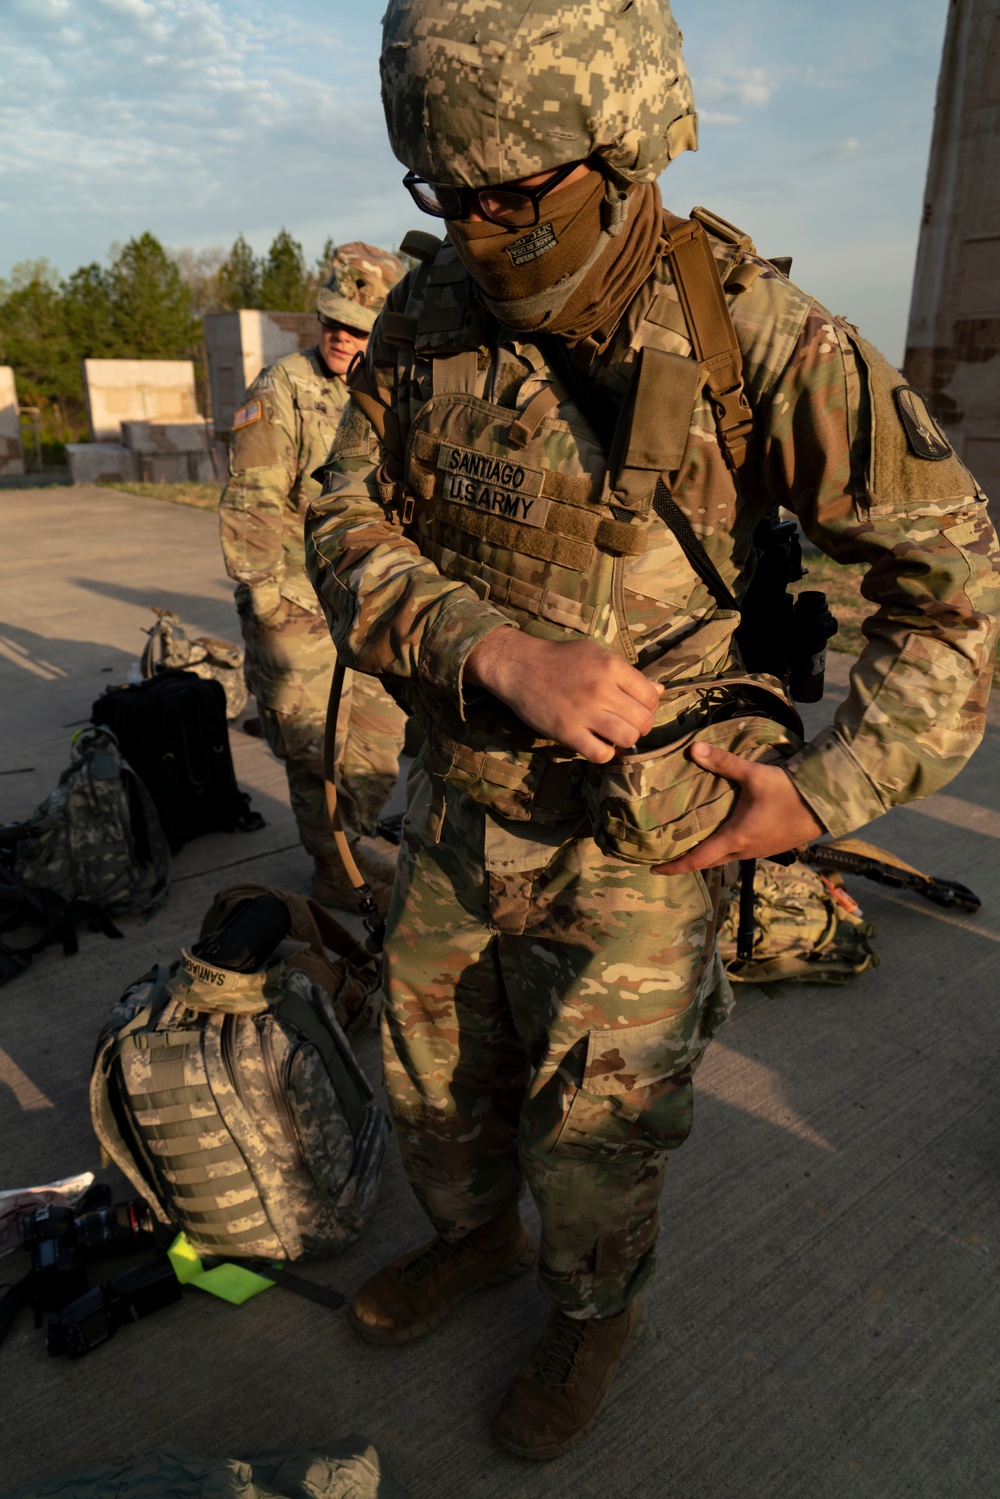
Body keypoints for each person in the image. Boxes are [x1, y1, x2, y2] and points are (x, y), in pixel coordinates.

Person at [305, 0, 1000, 1461]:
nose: (484, 228)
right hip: (455, 805)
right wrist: (490, 646)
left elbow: (953, 594)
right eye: (451, 196)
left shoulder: (761, 336)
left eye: (516, 191)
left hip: (642, 842)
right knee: (433, 1082)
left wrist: (820, 795)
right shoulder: (427, 318)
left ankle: (591, 1312)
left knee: (598, 1135)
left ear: (616, 147)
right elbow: (339, 520)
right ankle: (476, 1241)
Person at [219, 243, 408, 909]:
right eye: (332, 320)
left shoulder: (392, 389)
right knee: (313, 752)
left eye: (357, 325)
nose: (340, 335)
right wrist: (270, 606)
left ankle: (354, 845)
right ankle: (336, 873)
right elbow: (252, 502)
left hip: (371, 596)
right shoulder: (283, 388)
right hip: (299, 601)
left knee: (379, 740)